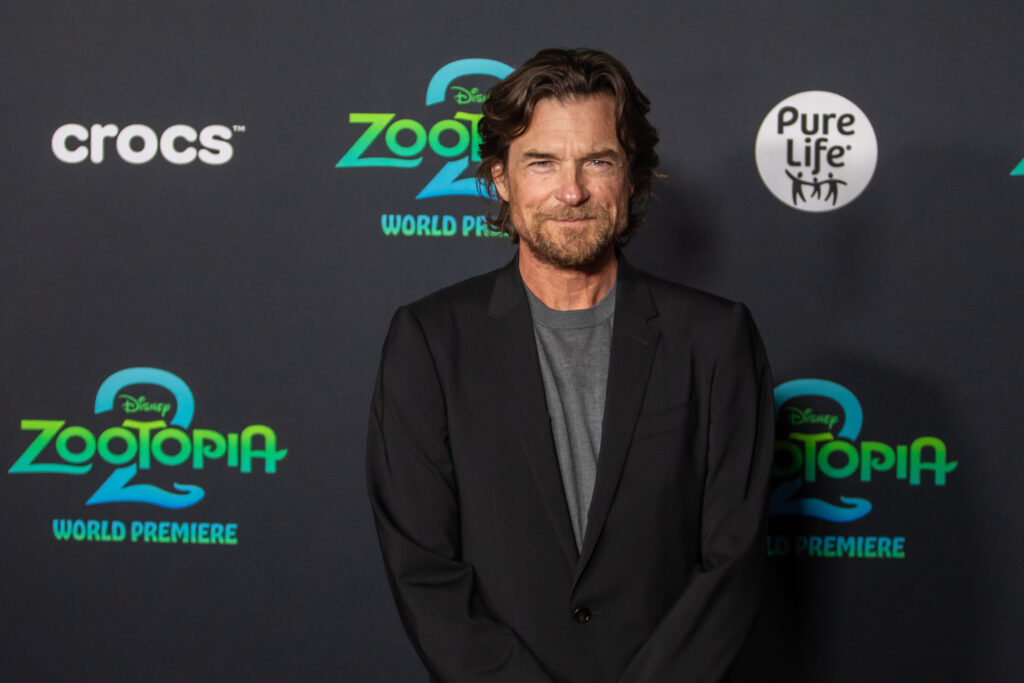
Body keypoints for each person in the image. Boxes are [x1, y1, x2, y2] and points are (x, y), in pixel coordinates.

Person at [367, 48, 774, 683]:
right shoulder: (429, 341)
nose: (572, 190)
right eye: (542, 162)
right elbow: (423, 569)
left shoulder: (716, 339)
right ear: (501, 179)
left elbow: (733, 560)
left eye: (598, 161)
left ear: (632, 177)